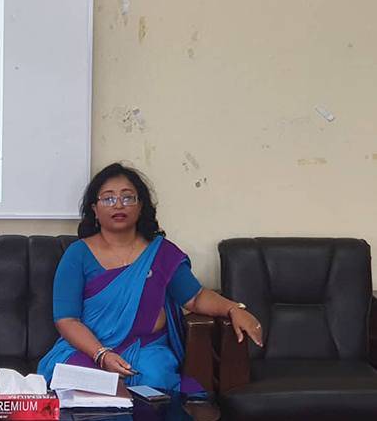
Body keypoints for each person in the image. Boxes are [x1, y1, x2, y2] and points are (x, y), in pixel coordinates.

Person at [38, 163, 263, 393]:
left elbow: (195, 297)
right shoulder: (78, 254)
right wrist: (102, 354)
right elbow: (67, 320)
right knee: (80, 382)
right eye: (108, 198)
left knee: (154, 378)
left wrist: (234, 309)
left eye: (128, 198)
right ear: (94, 209)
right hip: (89, 351)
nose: (118, 204)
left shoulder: (161, 252)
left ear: (141, 205)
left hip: (146, 351)